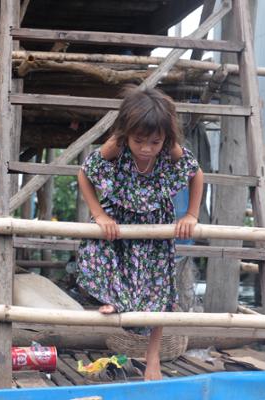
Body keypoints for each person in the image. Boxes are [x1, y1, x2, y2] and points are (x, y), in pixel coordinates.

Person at [76, 86, 204, 381]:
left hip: (155, 226)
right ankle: (114, 297)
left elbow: (196, 174)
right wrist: (99, 214)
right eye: (140, 141)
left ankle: (153, 357)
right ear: (127, 133)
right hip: (117, 220)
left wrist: (191, 214)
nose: (146, 148)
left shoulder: (170, 148)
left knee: (159, 292)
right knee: (96, 251)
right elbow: (84, 172)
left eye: (154, 142)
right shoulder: (117, 144)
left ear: (165, 138)